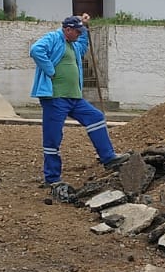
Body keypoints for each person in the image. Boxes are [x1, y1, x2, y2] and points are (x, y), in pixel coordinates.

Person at [30, 13, 128, 186]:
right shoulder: (54, 37)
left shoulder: (73, 44)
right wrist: (50, 70)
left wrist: (85, 24)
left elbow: (82, 46)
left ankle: (108, 157)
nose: (79, 34)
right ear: (67, 30)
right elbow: (36, 50)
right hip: (55, 97)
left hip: (74, 97)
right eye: (77, 31)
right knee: (53, 137)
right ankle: (52, 178)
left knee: (96, 117)